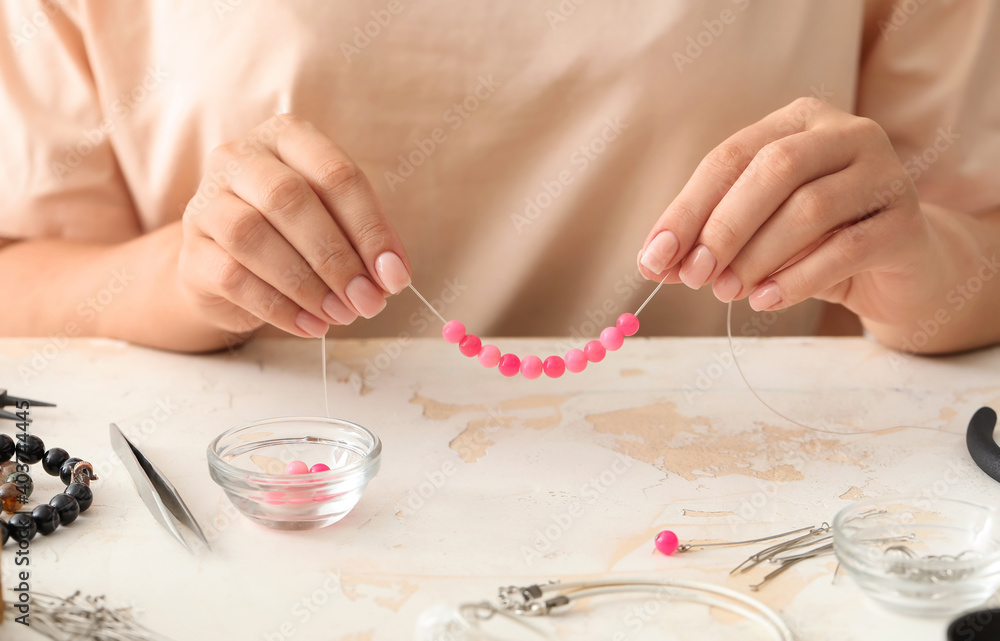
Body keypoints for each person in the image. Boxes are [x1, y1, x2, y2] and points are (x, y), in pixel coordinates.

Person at [1, 0, 997, 354]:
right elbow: (22, 275)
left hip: (742, 528)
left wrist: (921, 267)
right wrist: (181, 277)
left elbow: (976, 244)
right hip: (263, 506)